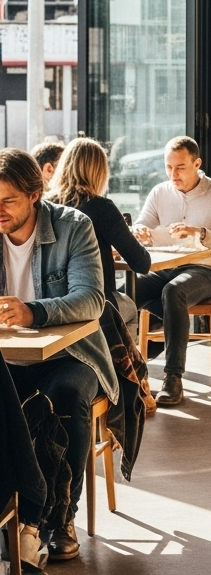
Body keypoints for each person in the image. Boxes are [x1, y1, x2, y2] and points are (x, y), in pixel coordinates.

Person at [0, 148, 118, 563]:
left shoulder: (73, 226)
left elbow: (91, 300)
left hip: (70, 353)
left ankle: (60, 517)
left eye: (7, 201)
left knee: (66, 396)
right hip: (7, 358)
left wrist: (34, 312)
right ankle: (13, 515)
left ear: (34, 195)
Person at [133, 136, 211, 407]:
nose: (173, 174)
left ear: (197, 164)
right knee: (127, 290)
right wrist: (140, 233)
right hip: (167, 267)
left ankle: (173, 378)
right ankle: (123, 370)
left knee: (174, 292)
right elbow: (140, 227)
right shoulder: (159, 192)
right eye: (168, 167)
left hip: (206, 271)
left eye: (180, 167)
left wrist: (202, 234)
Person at [47, 137, 152, 334]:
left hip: (51, 303)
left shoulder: (47, 206)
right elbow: (142, 263)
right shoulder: (101, 207)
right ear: (100, 171)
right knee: (129, 306)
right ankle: (120, 362)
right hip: (96, 303)